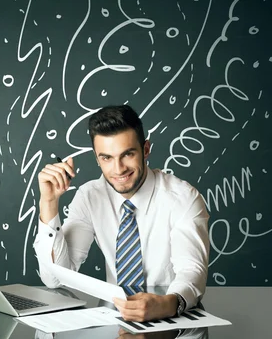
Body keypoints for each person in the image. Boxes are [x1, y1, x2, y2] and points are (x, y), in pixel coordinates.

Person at [33, 104, 210, 323]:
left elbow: (191, 269)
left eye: (127, 154)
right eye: (106, 158)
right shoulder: (90, 196)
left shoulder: (183, 198)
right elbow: (54, 279)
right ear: (97, 159)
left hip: (175, 320)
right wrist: (48, 202)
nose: (118, 169)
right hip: (116, 320)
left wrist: (169, 304)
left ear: (145, 150)